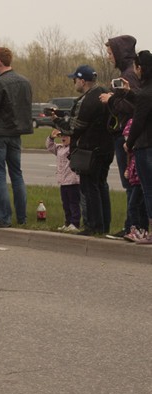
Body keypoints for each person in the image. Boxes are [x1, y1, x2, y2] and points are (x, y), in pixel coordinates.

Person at [52, 65, 114, 236]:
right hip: (107, 147)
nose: (74, 83)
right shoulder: (104, 93)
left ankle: (94, 226)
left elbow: (74, 128)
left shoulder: (86, 100)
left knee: (89, 187)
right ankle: (103, 226)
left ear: (82, 81)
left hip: (90, 150)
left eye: (74, 80)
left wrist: (56, 121)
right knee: (101, 185)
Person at [0, 47, 33, 229]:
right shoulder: (24, 81)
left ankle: (4, 217)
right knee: (17, 174)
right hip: (16, 133)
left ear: (0, 63)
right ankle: (22, 217)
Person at [99, 35, 141, 238]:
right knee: (132, 183)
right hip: (126, 133)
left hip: (127, 135)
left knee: (131, 182)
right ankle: (132, 226)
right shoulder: (130, 71)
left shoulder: (130, 75)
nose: (108, 57)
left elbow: (134, 105)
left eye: (110, 53)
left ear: (119, 53)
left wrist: (111, 100)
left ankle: (132, 227)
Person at [123, 50, 152, 244]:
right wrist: (130, 94)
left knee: (148, 190)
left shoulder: (145, 93)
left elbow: (139, 121)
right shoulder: (145, 93)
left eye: (135, 67)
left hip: (145, 146)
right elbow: (144, 103)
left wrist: (129, 143)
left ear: (140, 68)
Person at [46, 129, 81, 232]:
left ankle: (75, 223)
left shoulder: (73, 149)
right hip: (63, 181)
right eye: (62, 136)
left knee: (73, 203)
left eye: (66, 136)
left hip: (73, 181)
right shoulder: (60, 148)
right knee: (65, 204)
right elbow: (50, 146)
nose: (63, 138)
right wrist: (51, 137)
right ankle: (68, 222)